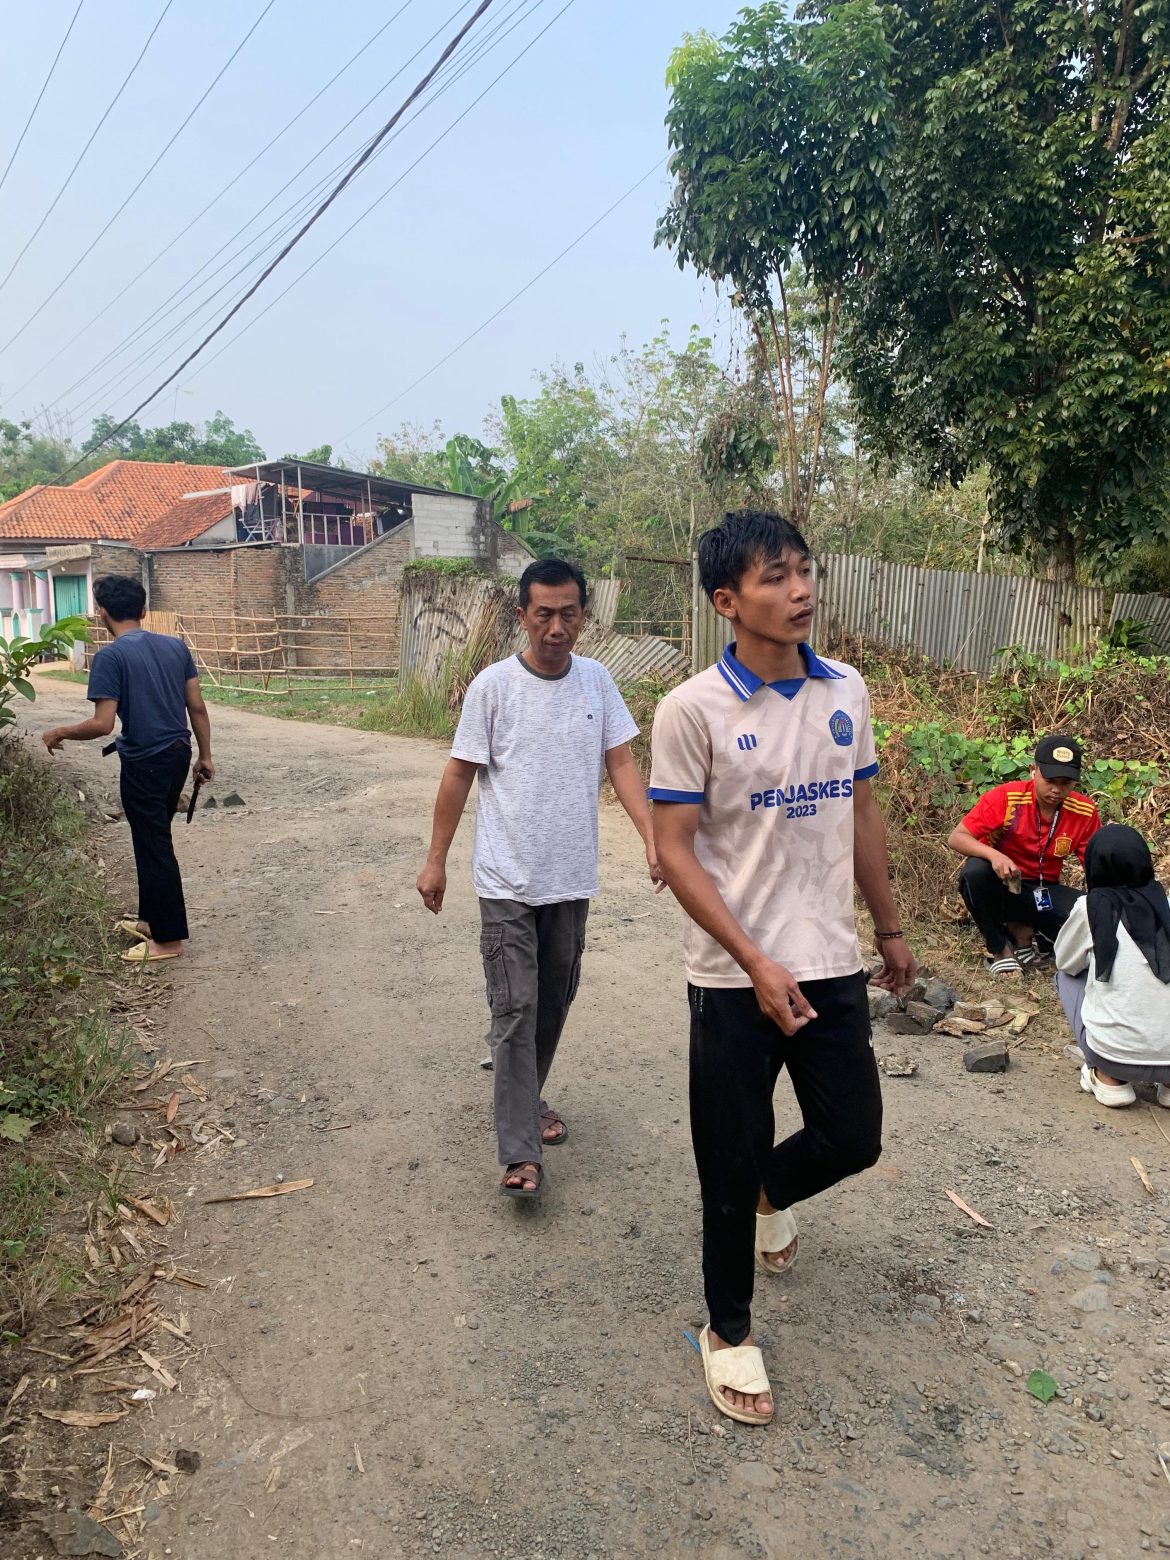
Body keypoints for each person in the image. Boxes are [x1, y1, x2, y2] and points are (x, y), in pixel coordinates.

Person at [649, 510, 916, 1428]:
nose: (800, 591)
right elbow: (674, 849)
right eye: (776, 576)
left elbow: (862, 811)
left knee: (853, 1137)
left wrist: (888, 927)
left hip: (828, 959)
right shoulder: (692, 710)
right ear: (727, 601)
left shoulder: (847, 689)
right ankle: (727, 1330)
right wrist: (753, 959)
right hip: (733, 976)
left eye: (804, 571)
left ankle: (772, 1193)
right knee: (725, 1160)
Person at [415, 557, 662, 1200]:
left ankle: (526, 1096)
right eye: (544, 614)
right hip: (506, 879)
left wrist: (652, 837)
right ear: (521, 615)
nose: (556, 627)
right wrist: (436, 859)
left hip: (570, 877)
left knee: (553, 999)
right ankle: (520, 1151)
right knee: (515, 1003)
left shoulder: (597, 682)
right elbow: (458, 774)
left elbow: (621, 763)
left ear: (584, 615)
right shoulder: (493, 687)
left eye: (568, 613)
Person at [41, 575, 214, 963]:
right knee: (152, 837)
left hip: (144, 761)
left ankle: (168, 940)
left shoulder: (111, 657)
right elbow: (197, 707)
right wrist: (205, 756)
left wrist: (59, 731)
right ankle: (151, 921)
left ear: (102, 613)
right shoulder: (175, 646)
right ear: (144, 610)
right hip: (177, 753)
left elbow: (102, 724)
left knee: (153, 844)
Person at [948, 736, 1100, 977]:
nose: (1057, 790)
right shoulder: (1007, 798)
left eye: (1066, 783)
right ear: (1033, 771)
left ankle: (1027, 935)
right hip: (1003, 885)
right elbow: (957, 837)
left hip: (1043, 890)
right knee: (975, 872)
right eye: (1050, 781)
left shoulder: (1084, 811)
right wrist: (994, 855)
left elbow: (1096, 866)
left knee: (1090, 911)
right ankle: (1000, 949)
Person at [1054, 824, 1170, 1109]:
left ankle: (1107, 1078)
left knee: (1065, 977)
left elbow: (1065, 961)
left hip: (1114, 1056)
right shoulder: (1167, 905)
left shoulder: (1090, 907)